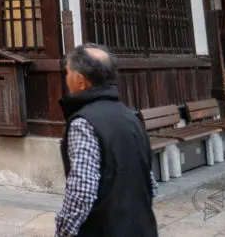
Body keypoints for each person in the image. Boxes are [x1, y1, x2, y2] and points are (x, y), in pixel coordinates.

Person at [56, 44, 158, 237]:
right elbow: (150, 182)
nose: (67, 78)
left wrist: (63, 232)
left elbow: (82, 192)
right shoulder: (131, 117)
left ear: (79, 79)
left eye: (68, 73)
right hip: (142, 227)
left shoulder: (84, 123)